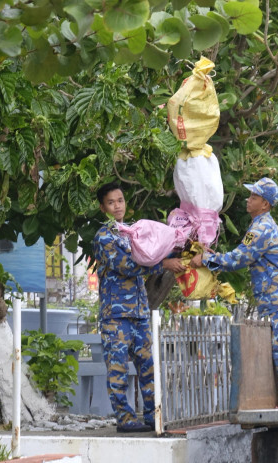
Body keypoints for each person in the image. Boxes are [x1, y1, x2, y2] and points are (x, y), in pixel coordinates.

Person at [190, 177, 278, 409]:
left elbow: (238, 258)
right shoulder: (263, 226)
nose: (248, 200)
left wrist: (206, 258)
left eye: (254, 197)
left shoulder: (261, 229)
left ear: (265, 204)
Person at [93, 182, 186, 432]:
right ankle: (124, 419)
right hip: (116, 315)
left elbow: (149, 253)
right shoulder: (104, 237)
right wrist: (163, 264)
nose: (117, 206)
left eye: (120, 200)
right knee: (118, 368)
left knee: (148, 366)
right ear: (103, 207)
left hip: (140, 312)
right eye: (111, 202)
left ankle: (150, 415)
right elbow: (126, 266)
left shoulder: (132, 232)